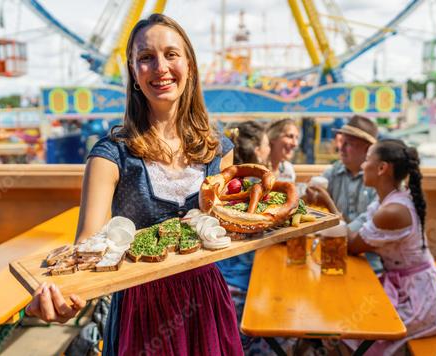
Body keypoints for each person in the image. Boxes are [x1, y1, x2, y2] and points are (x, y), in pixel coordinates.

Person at [24, 14, 243, 356]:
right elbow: (88, 247)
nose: (160, 67)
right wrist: (61, 295)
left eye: (171, 54)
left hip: (205, 301)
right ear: (134, 73)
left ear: (190, 65)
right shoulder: (111, 155)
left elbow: (228, 227)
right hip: (142, 309)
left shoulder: (219, 149)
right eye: (146, 58)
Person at [345, 139, 436, 355]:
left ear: (382, 168)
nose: (363, 166)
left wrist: (326, 205)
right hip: (409, 289)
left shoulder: (392, 212)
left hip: (420, 302)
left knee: (351, 329)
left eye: (367, 160)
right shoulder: (390, 201)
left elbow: (352, 246)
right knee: (348, 314)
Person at [217, 120, 280, 354]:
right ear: (257, 150)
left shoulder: (225, 186)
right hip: (248, 288)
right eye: (266, 144)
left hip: (220, 284)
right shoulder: (261, 189)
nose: (269, 149)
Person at [305, 115, 381, 271]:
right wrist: (310, 193)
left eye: (349, 144)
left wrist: (327, 202)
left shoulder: (380, 181)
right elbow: (315, 187)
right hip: (335, 255)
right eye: (341, 142)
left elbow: (357, 231)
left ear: (367, 150)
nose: (341, 148)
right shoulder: (335, 170)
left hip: (370, 265)